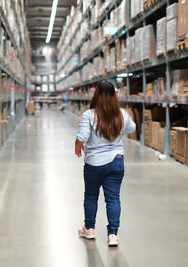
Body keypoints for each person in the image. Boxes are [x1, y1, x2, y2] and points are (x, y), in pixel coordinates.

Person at [75, 80, 136, 247]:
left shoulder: (89, 115)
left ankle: (89, 229)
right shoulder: (122, 114)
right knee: (113, 199)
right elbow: (132, 128)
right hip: (116, 161)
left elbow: (82, 137)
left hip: (94, 163)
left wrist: (77, 146)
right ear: (114, 96)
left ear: (96, 95)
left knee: (91, 195)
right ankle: (113, 235)